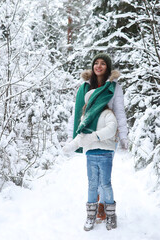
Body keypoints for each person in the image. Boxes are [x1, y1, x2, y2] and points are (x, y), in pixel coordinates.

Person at [65, 53, 128, 231]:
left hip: (107, 136)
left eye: (103, 64)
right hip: (88, 138)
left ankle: (103, 206)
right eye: (96, 63)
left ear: (107, 68)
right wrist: (74, 138)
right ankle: (99, 204)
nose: (99, 66)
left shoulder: (114, 88)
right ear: (93, 67)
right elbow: (77, 113)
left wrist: (123, 136)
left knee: (104, 178)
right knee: (94, 178)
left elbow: (120, 112)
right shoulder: (84, 87)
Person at [63, 89, 118, 231]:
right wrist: (71, 146)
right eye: (90, 101)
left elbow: (112, 129)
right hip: (91, 155)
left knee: (105, 184)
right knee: (92, 185)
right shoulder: (86, 118)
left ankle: (111, 215)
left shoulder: (107, 114)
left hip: (105, 153)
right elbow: (81, 137)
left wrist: (94, 136)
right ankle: (90, 216)